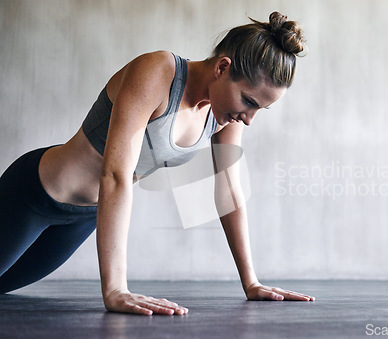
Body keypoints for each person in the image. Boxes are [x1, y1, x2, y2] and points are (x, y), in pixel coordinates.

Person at [0, 11, 315, 315]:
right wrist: (115, 290)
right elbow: (115, 174)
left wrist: (251, 282)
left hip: (84, 218)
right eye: (248, 101)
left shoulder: (225, 113)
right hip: (34, 195)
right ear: (222, 67)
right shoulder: (158, 72)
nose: (248, 119)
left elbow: (229, 190)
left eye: (259, 109)